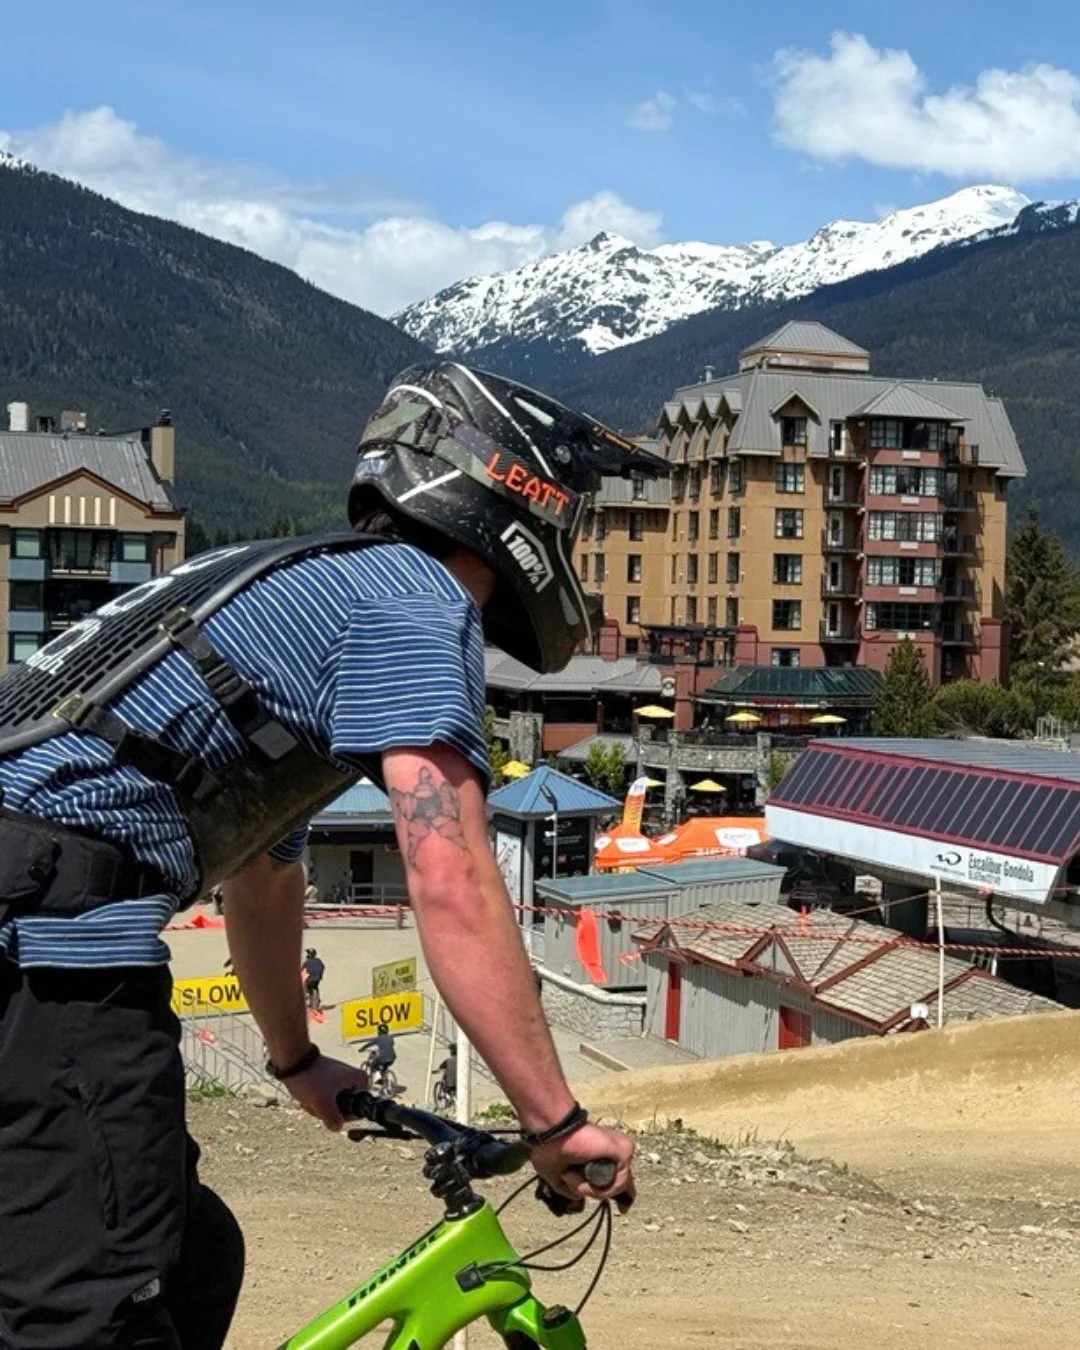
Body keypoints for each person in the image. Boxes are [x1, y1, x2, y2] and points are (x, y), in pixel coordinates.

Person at [0, 361, 647, 1349]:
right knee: (93, 1315)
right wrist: (556, 1123)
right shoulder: (417, 596)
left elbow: (264, 875)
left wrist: (296, 1058)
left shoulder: (298, 585)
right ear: (519, 497)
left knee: (194, 1251)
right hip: (47, 935)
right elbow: (452, 876)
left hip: (31, 909)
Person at [360, 1021, 397, 1087]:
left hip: (382, 1058)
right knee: (384, 1066)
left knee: (373, 1065)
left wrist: (362, 1048)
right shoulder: (391, 1038)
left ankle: (378, 1079)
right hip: (392, 1058)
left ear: (379, 1031)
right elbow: (388, 1046)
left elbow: (369, 1044)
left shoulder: (378, 1039)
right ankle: (383, 1078)